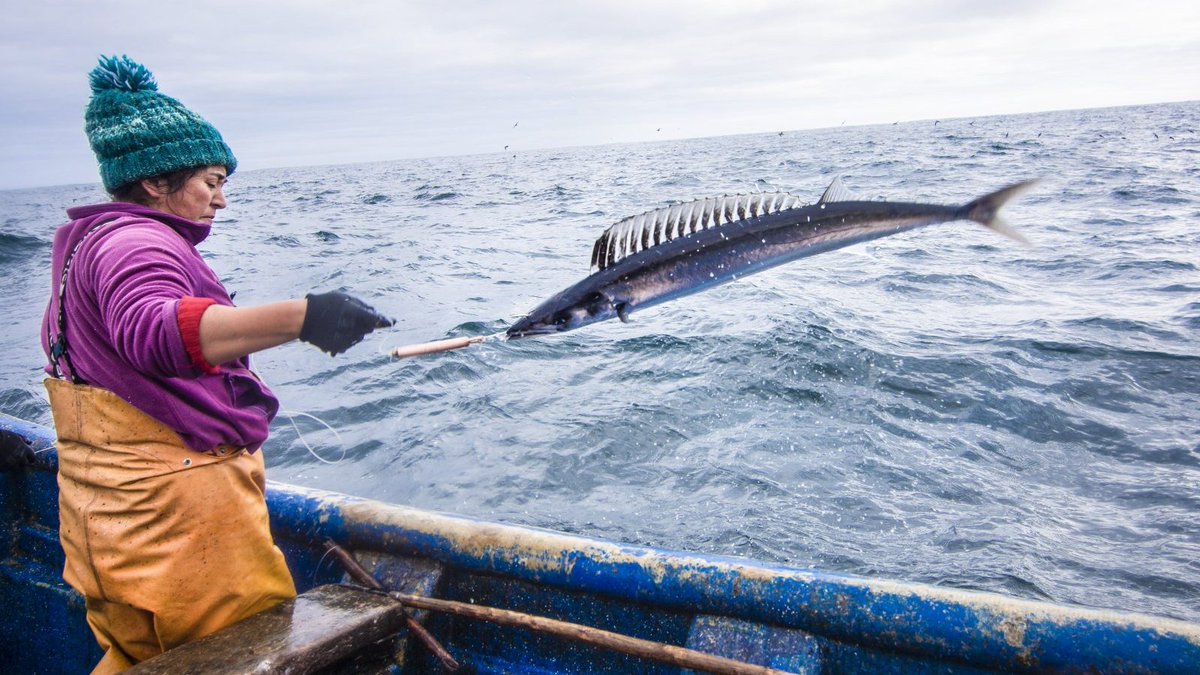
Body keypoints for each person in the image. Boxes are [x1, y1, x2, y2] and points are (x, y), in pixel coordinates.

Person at [40, 55, 392, 673]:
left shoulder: (87, 244)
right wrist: (304, 317)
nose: (221, 201)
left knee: (145, 659)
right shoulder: (137, 242)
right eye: (210, 181)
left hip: (112, 516)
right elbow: (153, 333)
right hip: (176, 528)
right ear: (154, 182)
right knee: (238, 653)